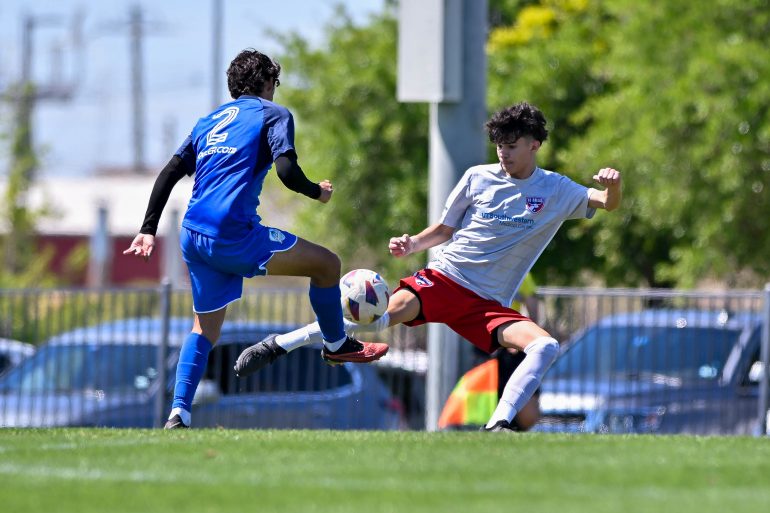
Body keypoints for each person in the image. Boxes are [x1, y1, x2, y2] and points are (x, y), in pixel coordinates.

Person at [234, 101, 622, 432]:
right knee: (377, 320)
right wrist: (413, 243)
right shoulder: (477, 177)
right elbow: (444, 229)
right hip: (445, 279)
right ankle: (278, 344)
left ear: (535, 144)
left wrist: (613, 184)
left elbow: (607, 202)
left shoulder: (555, 189)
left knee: (545, 346)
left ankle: (498, 425)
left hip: (488, 304)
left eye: (513, 145)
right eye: (499, 145)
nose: (503, 153)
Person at [123, 49, 388, 430]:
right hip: (233, 234)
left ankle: (178, 411)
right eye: (275, 83)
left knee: (204, 330)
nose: (276, 90)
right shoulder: (272, 113)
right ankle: (335, 345)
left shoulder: (209, 121)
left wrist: (148, 228)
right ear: (266, 82)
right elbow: (286, 170)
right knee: (327, 265)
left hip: (194, 236)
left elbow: (170, 171)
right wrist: (318, 192)